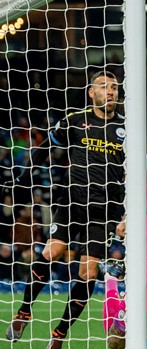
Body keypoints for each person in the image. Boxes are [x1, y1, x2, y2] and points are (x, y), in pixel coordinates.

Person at [4, 71, 125, 349]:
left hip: (104, 208)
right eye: (104, 87)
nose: (110, 92)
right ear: (91, 93)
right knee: (51, 252)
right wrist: (24, 177)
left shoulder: (126, 128)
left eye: (114, 87)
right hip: (72, 201)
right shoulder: (74, 120)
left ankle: (58, 336)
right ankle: (23, 312)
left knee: (88, 273)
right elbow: (46, 146)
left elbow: (135, 172)